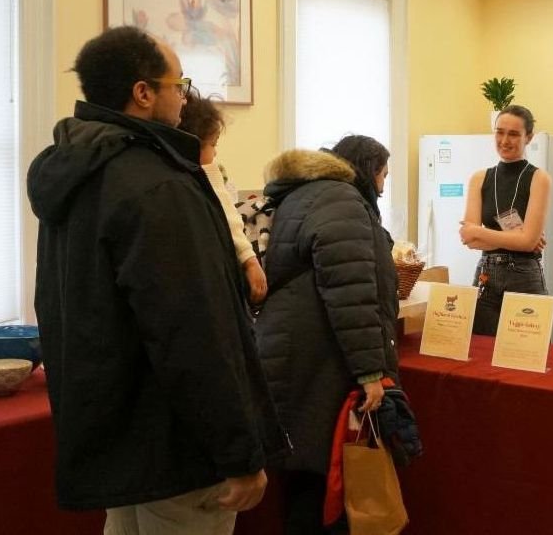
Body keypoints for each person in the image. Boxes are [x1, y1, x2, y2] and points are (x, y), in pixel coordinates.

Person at [26, 26, 286, 534]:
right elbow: (192, 330)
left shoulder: (77, 175)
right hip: (176, 444)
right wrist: (238, 450)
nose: (184, 98)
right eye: (178, 85)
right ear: (143, 93)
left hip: (117, 434)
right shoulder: (158, 184)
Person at [253, 134, 399, 534]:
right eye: (384, 176)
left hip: (291, 354)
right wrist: (371, 371)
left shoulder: (302, 195)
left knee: (302, 483)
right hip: (321, 364)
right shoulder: (343, 202)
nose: (384, 187)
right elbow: (351, 293)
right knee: (324, 490)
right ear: (369, 172)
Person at [460, 105, 552, 336]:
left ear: (528, 137)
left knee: (525, 357)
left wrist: (482, 232)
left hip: (525, 276)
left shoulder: (539, 178)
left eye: (513, 134)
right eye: (500, 132)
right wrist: (517, 238)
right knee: (480, 355)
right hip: (486, 274)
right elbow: (469, 238)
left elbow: (528, 243)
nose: (505, 140)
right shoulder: (480, 178)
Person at [179, 92, 268, 305]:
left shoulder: (206, 171)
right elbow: (228, 214)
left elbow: (229, 214)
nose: (215, 152)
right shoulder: (201, 172)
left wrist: (249, 259)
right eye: (213, 144)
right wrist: (249, 260)